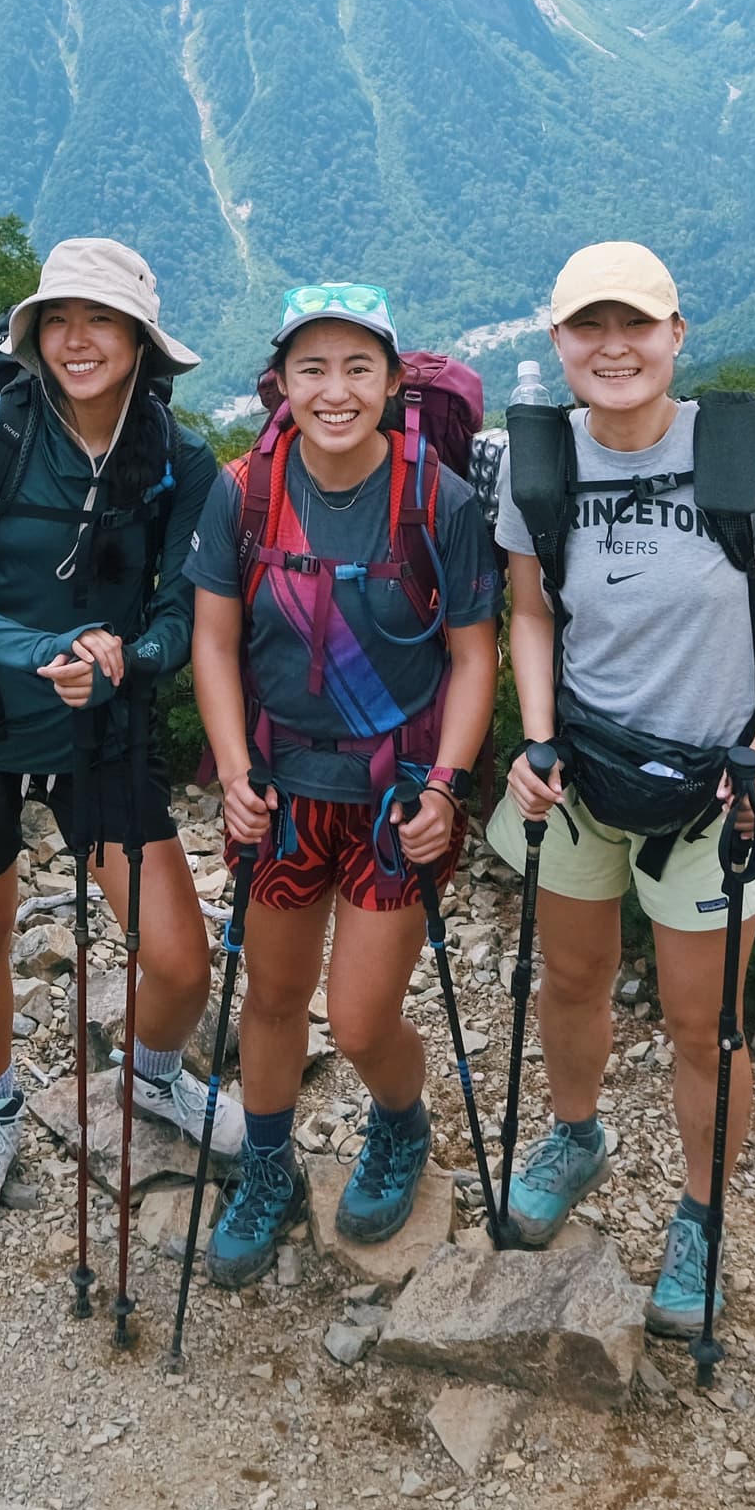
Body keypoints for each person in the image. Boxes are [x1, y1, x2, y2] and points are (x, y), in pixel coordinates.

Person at [487, 240, 755, 1338]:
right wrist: (535, 737)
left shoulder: (746, 454)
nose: (614, 346)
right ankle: (576, 1132)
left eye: (635, 324)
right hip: (580, 769)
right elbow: (531, 611)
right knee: (572, 980)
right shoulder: (537, 466)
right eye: (589, 327)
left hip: (714, 788)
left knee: (703, 1025)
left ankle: (701, 1213)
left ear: (677, 335)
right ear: (559, 343)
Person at [0, 235, 244, 1228]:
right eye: (60, 319)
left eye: (102, 320)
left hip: (97, 727)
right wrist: (50, 643)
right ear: (35, 332)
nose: (77, 339)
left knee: (179, 957)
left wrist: (124, 662)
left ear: (142, 341)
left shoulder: (179, 463)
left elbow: (185, 610)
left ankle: (151, 1075)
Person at [185, 283, 500, 1286]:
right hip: (280, 789)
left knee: (359, 1019)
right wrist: (232, 772)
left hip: (398, 797)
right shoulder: (245, 490)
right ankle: (268, 1166)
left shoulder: (436, 501)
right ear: (280, 379)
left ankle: (401, 1125)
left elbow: (475, 654)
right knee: (272, 1000)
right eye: (312, 367)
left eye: (358, 367)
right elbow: (213, 637)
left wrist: (447, 786)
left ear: (395, 380)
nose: (334, 389)